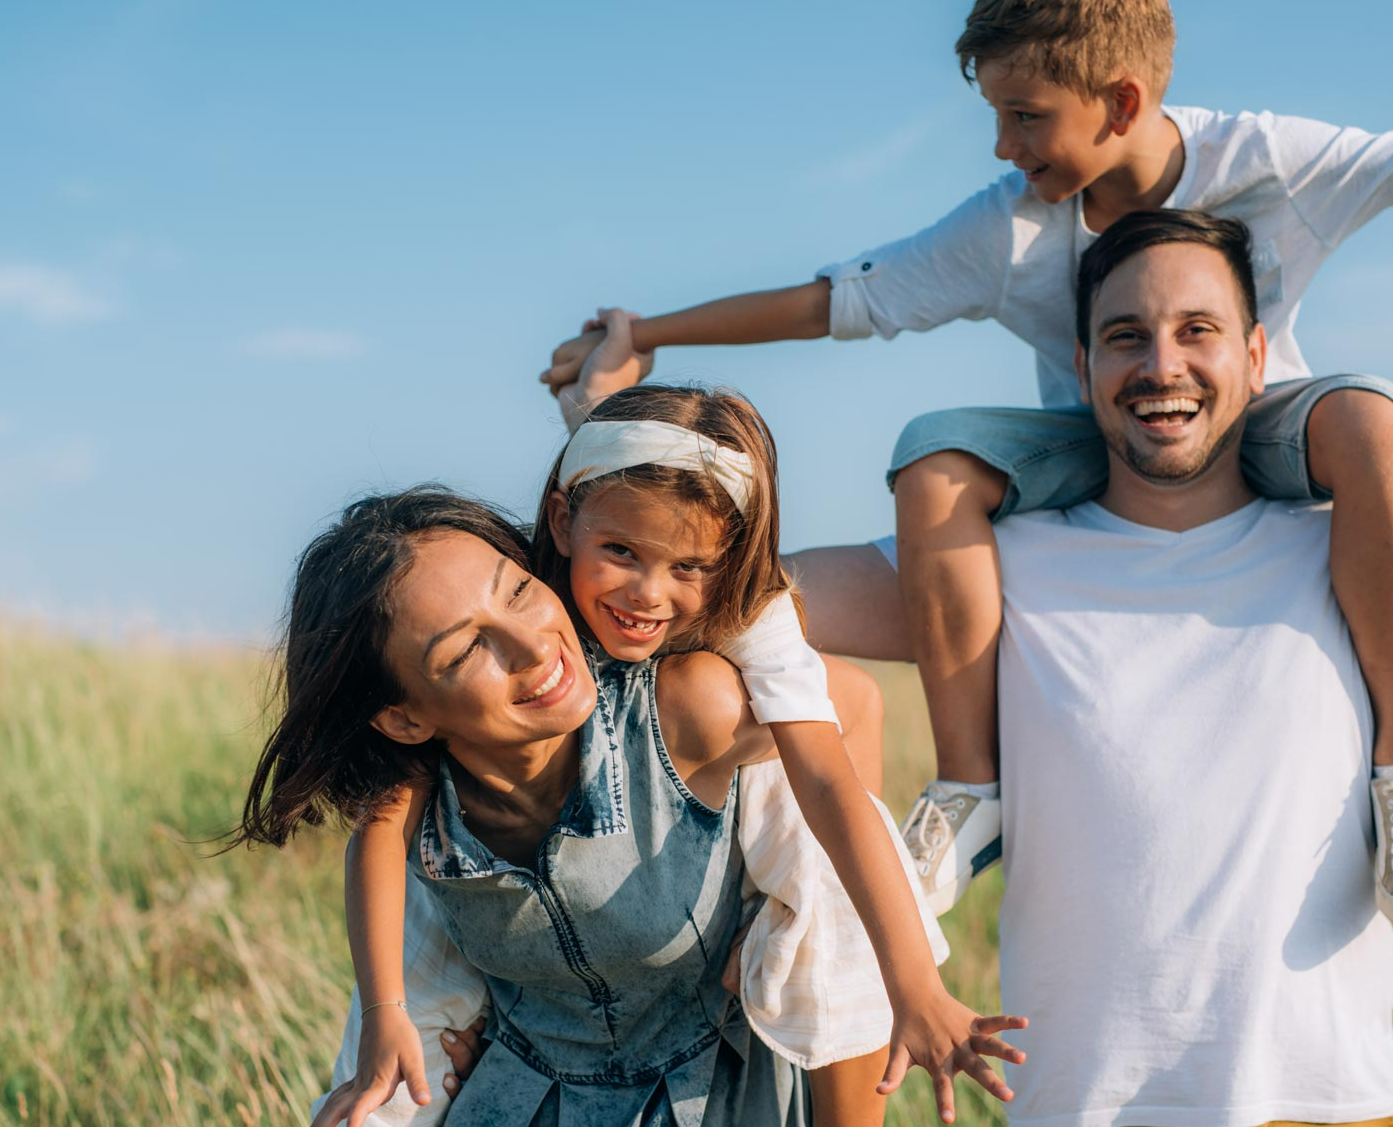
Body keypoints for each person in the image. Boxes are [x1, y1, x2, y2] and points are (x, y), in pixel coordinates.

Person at [535, 0, 1393, 928]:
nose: (1004, 146)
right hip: (1087, 452)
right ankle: (968, 786)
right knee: (937, 458)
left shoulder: (1266, 160)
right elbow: (837, 301)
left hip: (1274, 427)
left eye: (1024, 117)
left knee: (1373, 423)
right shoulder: (1009, 230)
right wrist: (654, 330)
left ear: (1123, 102)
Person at [959, 207, 1393, 1124]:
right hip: (1083, 1107)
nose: (1160, 366)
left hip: (1326, 1105)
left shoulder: (1366, 539)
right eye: (1124, 338)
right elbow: (743, 591)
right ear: (1083, 369)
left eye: (1198, 331)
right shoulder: (998, 561)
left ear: (1257, 357)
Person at [266, 371, 1027, 1126]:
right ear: (562, 528)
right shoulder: (549, 613)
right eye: (467, 651)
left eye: (689, 567)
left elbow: (846, 725)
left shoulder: (724, 664)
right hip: (535, 1059)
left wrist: (909, 983)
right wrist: (388, 1013)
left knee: (817, 858)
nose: (647, 594)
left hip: (704, 1047)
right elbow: (376, 830)